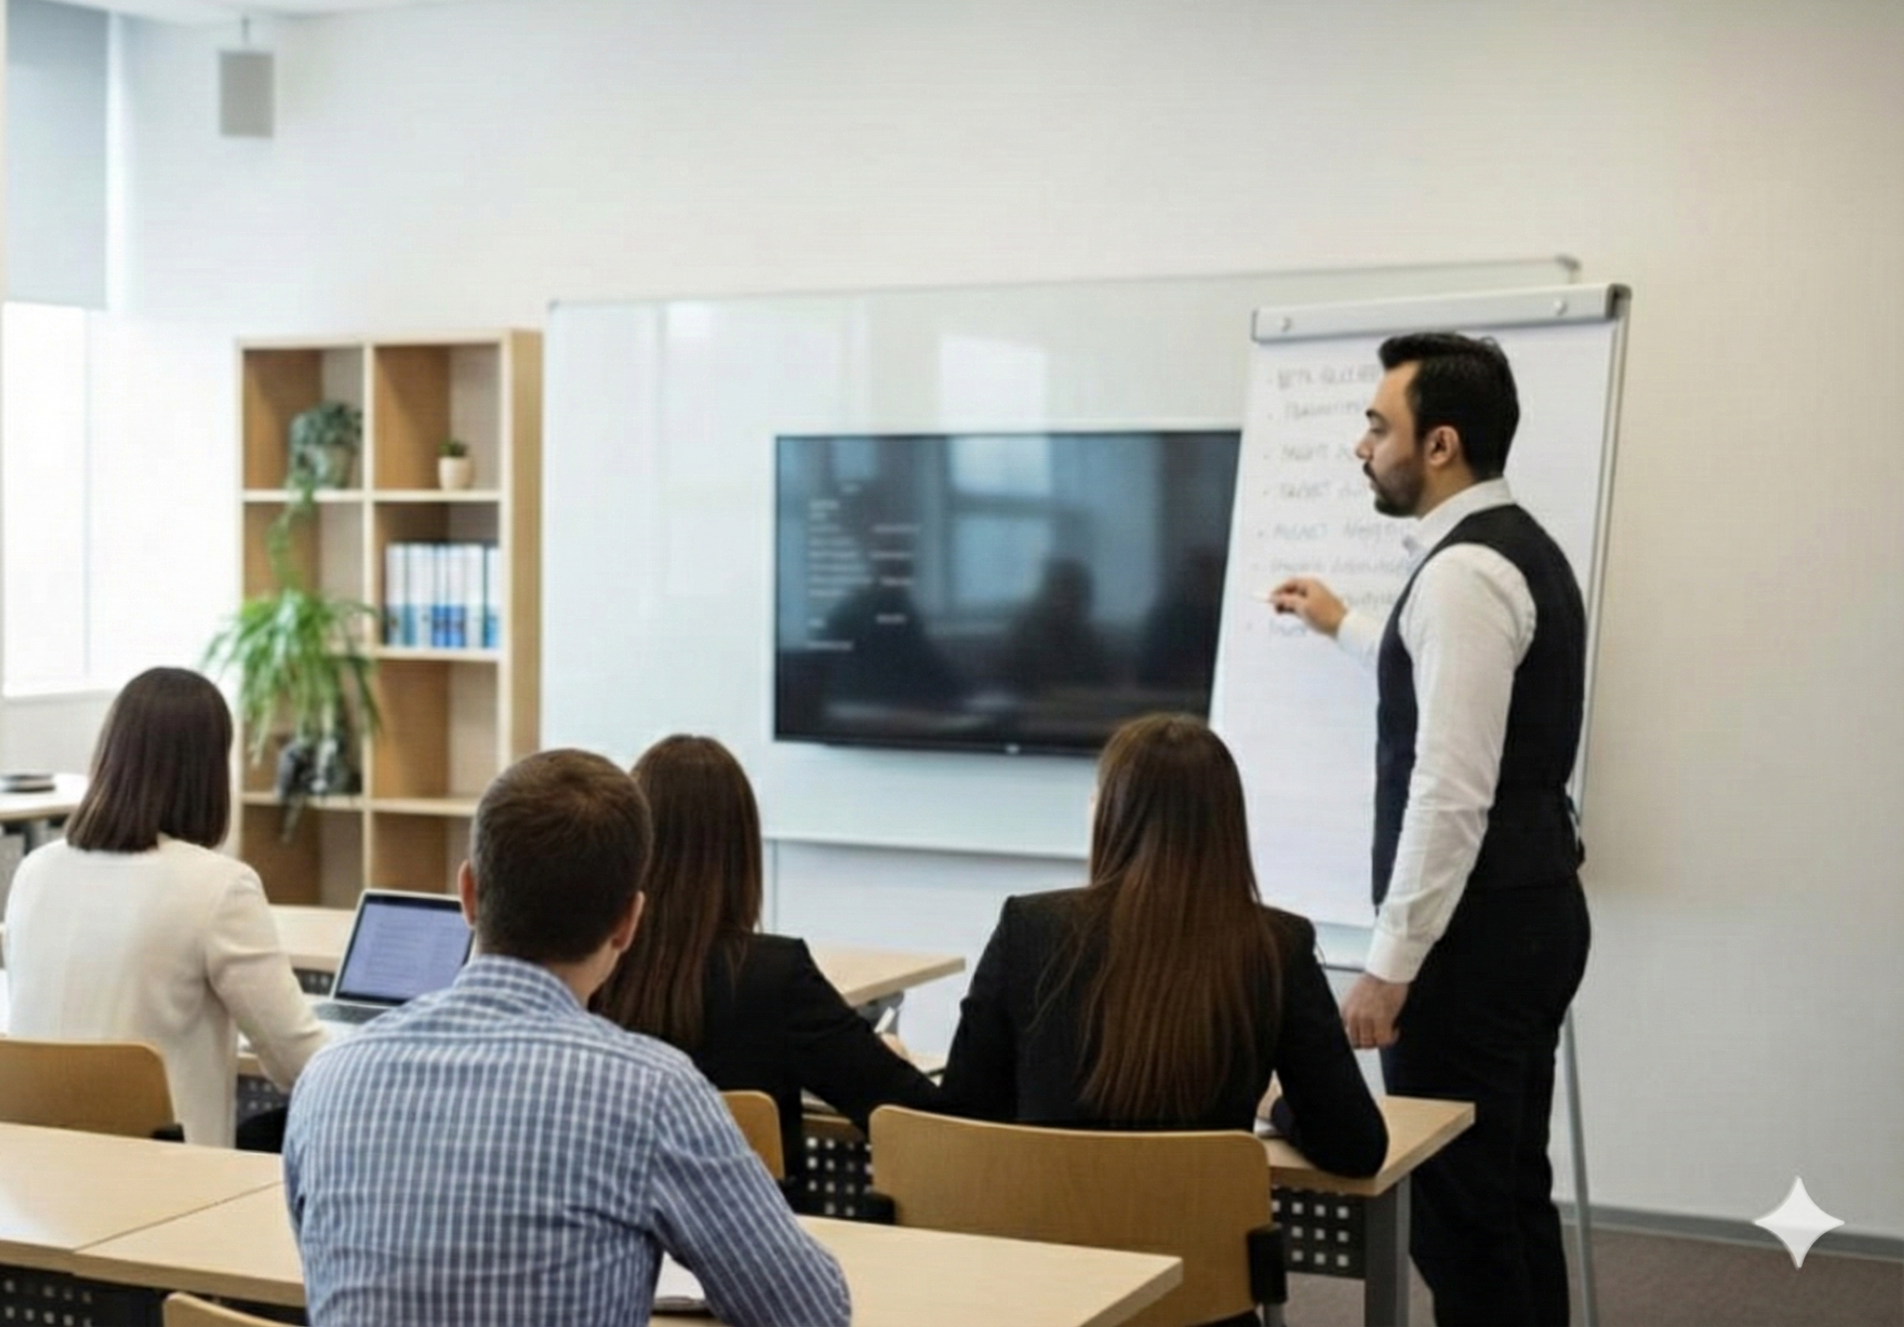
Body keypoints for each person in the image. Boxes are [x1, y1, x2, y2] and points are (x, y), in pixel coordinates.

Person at [284, 748, 850, 1327]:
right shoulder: (652, 1094)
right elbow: (809, 1312)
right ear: (629, 922)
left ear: (468, 894)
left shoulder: (330, 1076)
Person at [1270, 331, 1591, 1326]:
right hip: (1529, 914)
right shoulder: (1510, 552)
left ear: (1439, 443)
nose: (1361, 446)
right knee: (1505, 1188)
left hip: (1473, 944)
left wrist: (1389, 963)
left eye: (1378, 426)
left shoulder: (1462, 576)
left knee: (1460, 1217)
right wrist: (1344, 624)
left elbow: (1450, 790)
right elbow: (1446, 676)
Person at [940, 714, 1388, 1188]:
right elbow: (1354, 1145)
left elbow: (962, 1121)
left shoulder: (1028, 928)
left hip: (1045, 1232)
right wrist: (1276, 1105)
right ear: (1227, 824)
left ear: (1111, 813)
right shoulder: (1276, 945)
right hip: (1206, 1235)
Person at [2, 667, 325, 1147]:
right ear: (209, 772)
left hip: (33, 1169)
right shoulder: (220, 886)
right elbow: (299, 1062)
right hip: (163, 1175)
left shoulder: (35, 870)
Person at [595, 734, 940, 1166]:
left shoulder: (591, 965)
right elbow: (923, 1120)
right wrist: (890, 1053)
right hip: (755, 1208)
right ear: (741, 850)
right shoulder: (776, 974)